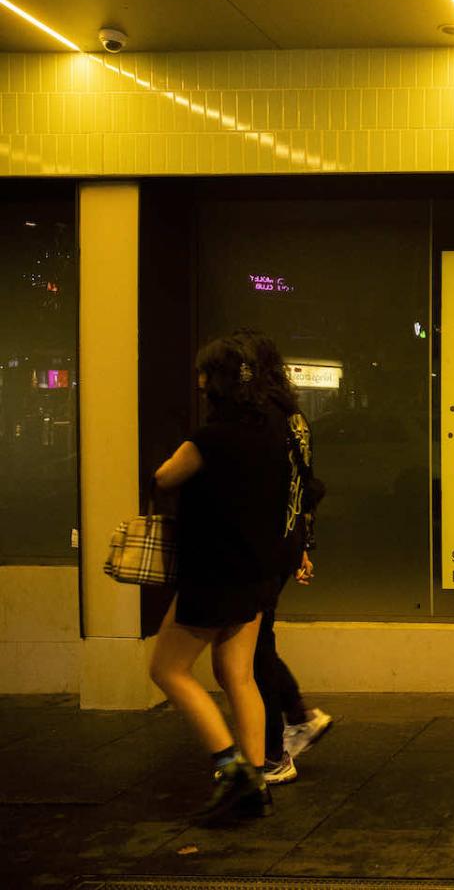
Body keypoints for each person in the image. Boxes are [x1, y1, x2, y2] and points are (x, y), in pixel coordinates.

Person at [148, 335, 289, 822]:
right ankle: (256, 781)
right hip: (256, 573)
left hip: (213, 575)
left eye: (205, 373)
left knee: (167, 669)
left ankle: (233, 771)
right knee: (238, 674)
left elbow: (165, 478)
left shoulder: (208, 440)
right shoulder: (273, 435)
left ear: (218, 381)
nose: (200, 380)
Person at [234, 329, 334, 785]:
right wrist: (303, 548)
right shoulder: (294, 417)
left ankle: (275, 749)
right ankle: (296, 716)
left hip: (262, 547)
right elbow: (305, 486)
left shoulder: (260, 419)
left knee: (253, 649)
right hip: (285, 543)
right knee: (259, 642)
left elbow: (276, 487)